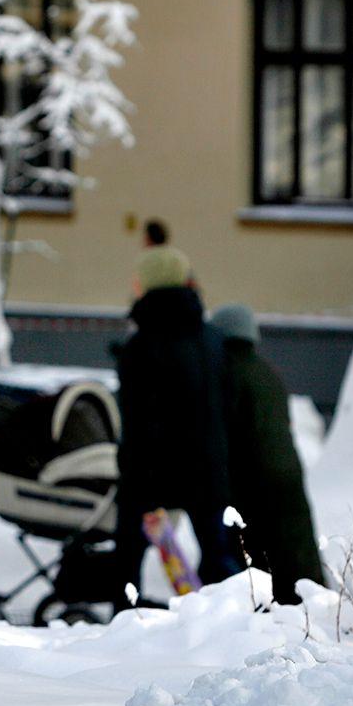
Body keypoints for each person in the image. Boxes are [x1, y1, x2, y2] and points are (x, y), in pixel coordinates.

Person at [114, 246, 242, 603]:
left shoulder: (138, 347)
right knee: (219, 557)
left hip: (150, 473)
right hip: (208, 469)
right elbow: (229, 407)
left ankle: (125, 622)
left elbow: (134, 419)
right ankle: (226, 626)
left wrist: (129, 470)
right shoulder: (214, 342)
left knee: (127, 558)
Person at [209, 304, 325, 604]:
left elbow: (225, 428)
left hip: (253, 475)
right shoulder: (266, 371)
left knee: (257, 549)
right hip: (287, 470)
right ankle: (314, 606)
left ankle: (272, 609)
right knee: (294, 545)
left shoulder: (227, 371)